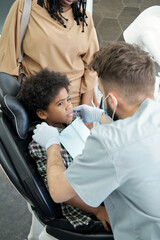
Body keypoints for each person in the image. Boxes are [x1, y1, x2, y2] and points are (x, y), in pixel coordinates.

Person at [33, 42, 160, 240]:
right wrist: (102, 116)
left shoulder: (109, 142)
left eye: (100, 91)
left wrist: (51, 144)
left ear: (112, 100)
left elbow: (58, 192)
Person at [18, 68, 111, 233]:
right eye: (60, 104)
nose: (69, 106)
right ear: (42, 113)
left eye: (68, 99)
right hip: (85, 206)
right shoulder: (42, 144)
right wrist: (97, 210)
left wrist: (98, 116)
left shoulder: (73, 121)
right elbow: (63, 192)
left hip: (99, 187)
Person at [0, 0, 99, 107]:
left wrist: (85, 112)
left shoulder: (84, 18)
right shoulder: (25, 6)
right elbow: (7, 60)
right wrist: (16, 109)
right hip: (35, 106)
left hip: (73, 108)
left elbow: (91, 68)